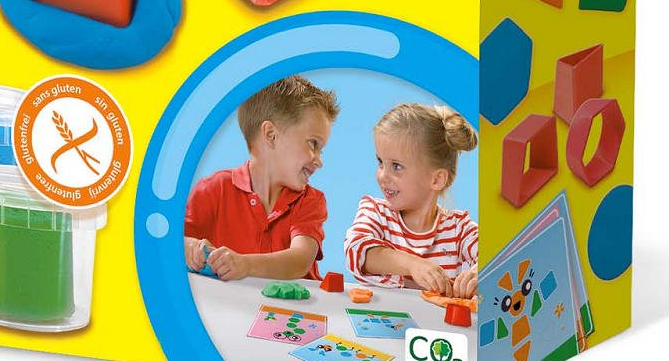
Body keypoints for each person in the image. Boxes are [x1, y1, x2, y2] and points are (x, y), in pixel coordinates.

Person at [184, 75, 338, 281]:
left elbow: (299, 260)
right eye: (313, 144)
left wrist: (245, 264)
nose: (319, 161)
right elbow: (167, 241)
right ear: (271, 135)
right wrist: (189, 247)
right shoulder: (213, 190)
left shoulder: (310, 201)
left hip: (300, 302)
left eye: (321, 149)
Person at [344, 103, 478, 297]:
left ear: (436, 179)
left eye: (396, 166)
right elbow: (357, 250)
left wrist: (477, 274)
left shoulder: (459, 229)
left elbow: (495, 258)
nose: (382, 176)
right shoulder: (375, 212)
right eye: (380, 162)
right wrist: (413, 265)